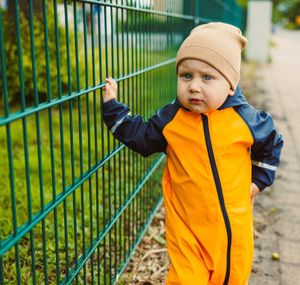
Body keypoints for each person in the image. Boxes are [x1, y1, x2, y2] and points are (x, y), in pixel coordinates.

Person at [102, 22, 283, 284]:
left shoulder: (246, 119)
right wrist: (113, 109)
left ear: (230, 86)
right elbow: (140, 137)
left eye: (207, 77)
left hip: (231, 228)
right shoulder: (171, 119)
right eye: (186, 76)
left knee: (231, 277)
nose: (194, 86)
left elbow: (271, 143)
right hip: (187, 227)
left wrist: (258, 182)